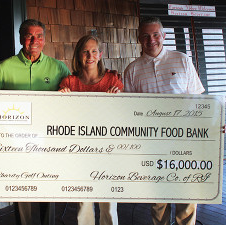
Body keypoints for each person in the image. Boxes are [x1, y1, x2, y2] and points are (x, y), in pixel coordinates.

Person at [0, 19, 71, 225]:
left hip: (47, 141)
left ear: (44, 39)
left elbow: (76, 98)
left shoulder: (59, 68)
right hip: (15, 142)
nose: (34, 40)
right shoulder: (4, 68)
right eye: (29, 36)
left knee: (47, 188)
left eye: (39, 36)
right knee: (20, 189)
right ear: (20, 38)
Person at [124, 16, 205, 225]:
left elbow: (198, 101)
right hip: (153, 144)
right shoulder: (132, 70)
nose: (151, 40)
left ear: (163, 36)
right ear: (138, 39)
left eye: (155, 35)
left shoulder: (182, 59)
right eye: (145, 36)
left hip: (185, 139)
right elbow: (131, 112)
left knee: (186, 194)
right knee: (158, 198)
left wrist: (211, 125)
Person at [59, 35, 122, 225]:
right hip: (79, 151)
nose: (90, 55)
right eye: (85, 51)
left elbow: (122, 116)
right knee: (83, 205)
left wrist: (118, 101)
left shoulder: (113, 80)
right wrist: (60, 100)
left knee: (108, 206)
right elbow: (60, 117)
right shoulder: (68, 83)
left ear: (100, 54)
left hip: (108, 151)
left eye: (94, 51)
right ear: (78, 55)